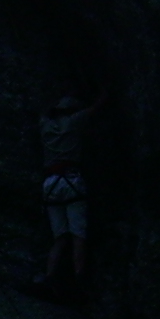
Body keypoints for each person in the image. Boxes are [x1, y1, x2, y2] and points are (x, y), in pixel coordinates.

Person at [36, 90, 108, 295]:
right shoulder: (75, 121)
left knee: (60, 237)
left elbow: (41, 111)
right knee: (78, 235)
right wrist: (106, 93)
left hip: (50, 184)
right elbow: (94, 109)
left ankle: (49, 278)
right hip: (71, 180)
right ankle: (79, 280)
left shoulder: (44, 125)